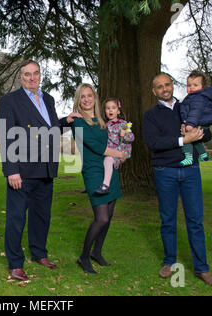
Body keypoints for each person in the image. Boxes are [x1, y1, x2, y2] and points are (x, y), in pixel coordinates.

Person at [0, 60, 79, 281]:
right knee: (16, 218)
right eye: (27, 75)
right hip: (21, 170)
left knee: (41, 216)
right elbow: (6, 136)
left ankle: (39, 254)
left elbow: (49, 129)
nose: (32, 78)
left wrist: (66, 121)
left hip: (46, 167)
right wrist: (11, 170)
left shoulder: (48, 99)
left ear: (40, 75)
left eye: (35, 73)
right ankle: (15, 264)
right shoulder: (10, 100)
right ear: (20, 77)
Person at [143, 72, 212, 286]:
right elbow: (153, 143)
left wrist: (199, 134)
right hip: (164, 171)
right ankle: (169, 262)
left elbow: (208, 133)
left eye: (167, 84)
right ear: (154, 91)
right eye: (159, 86)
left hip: (191, 171)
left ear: (172, 85)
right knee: (168, 220)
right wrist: (183, 139)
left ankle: (202, 268)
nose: (165, 89)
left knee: (195, 221)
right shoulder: (150, 115)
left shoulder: (188, 106)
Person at [71, 83, 127, 274]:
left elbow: (115, 140)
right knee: (101, 218)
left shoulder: (103, 120)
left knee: (109, 215)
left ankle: (97, 252)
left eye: (89, 95)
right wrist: (117, 154)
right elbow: (96, 146)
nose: (86, 99)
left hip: (109, 168)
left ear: (94, 98)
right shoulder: (78, 122)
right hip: (93, 170)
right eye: (82, 96)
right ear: (78, 100)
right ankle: (84, 256)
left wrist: (123, 150)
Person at [179, 70, 212, 166]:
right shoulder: (194, 96)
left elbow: (195, 112)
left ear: (203, 87)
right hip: (199, 123)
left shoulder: (198, 98)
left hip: (196, 123)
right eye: (189, 85)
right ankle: (203, 154)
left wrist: (189, 125)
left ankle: (188, 157)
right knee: (195, 140)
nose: (191, 88)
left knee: (186, 137)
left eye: (195, 85)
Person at [95, 98, 134, 195]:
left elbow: (132, 138)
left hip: (122, 150)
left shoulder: (125, 124)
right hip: (111, 150)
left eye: (113, 108)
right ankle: (93, 184)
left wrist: (124, 135)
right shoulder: (105, 125)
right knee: (100, 160)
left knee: (108, 160)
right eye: (108, 108)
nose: (110, 110)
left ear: (118, 111)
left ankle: (105, 185)